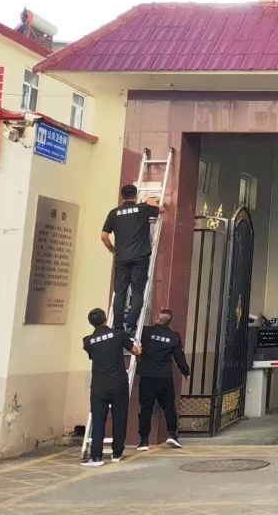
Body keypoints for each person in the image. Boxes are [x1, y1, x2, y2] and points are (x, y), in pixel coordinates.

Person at [101, 184, 169, 332]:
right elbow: (162, 209)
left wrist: (113, 250)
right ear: (136, 196)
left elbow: (104, 236)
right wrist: (151, 202)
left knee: (120, 292)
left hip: (121, 258)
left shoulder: (114, 213)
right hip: (140, 257)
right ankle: (131, 322)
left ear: (122, 197)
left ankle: (118, 326)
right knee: (137, 291)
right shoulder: (142, 209)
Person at [82, 307, 140, 466]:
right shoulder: (119, 334)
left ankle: (96, 457)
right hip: (119, 383)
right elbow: (135, 351)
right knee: (119, 417)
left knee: (98, 420)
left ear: (91, 323)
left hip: (99, 385)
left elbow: (94, 355)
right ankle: (117, 453)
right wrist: (138, 348)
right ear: (105, 318)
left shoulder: (87, 341)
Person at [136, 308, 190, 451]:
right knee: (169, 407)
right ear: (169, 321)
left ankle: (143, 440)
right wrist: (186, 372)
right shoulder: (174, 337)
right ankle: (172, 435)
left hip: (147, 376)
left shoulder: (145, 332)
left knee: (145, 408)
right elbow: (179, 358)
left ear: (156, 318)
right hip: (164, 377)